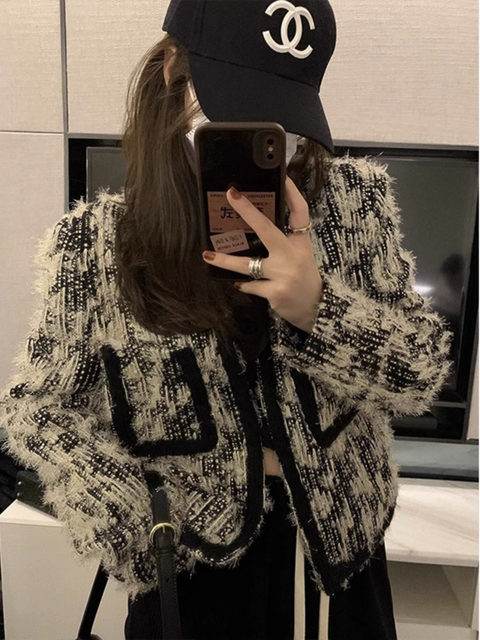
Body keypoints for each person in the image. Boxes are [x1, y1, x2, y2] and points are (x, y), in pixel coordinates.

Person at [0, 1, 455, 639]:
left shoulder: (354, 204)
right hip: (191, 566)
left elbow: (421, 374)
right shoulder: (96, 245)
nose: (267, 133)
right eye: (236, 105)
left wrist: (320, 311)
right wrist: (135, 520)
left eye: (282, 117)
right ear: (171, 73)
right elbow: (36, 409)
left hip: (337, 554)